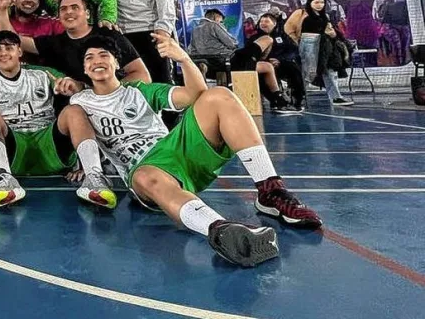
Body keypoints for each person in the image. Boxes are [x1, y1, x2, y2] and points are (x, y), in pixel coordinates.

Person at [70, 34, 322, 268]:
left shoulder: (139, 90)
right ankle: (221, 230)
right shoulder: (80, 102)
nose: (96, 61)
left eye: (103, 55)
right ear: (84, 69)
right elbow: (71, 127)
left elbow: (194, 95)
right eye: (89, 57)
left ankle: (270, 191)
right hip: (144, 170)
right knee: (146, 176)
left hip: (175, 148)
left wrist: (183, 58)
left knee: (219, 95)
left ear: (116, 63)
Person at [0, 30, 117, 210]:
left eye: (9, 47)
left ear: (20, 51)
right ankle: (3, 179)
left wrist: (75, 87)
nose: (3, 53)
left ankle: (94, 177)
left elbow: (76, 87)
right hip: (15, 153)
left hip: (50, 146)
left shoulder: (43, 74)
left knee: (74, 110)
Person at [0, 0, 150, 86]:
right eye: (63, 9)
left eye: (75, 7)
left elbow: (142, 75)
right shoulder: (55, 43)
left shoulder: (109, 34)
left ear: (87, 13)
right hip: (77, 108)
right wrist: (2, 10)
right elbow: (11, 39)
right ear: (58, 17)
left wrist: (103, 91)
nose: (69, 12)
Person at [286, 0, 354, 106]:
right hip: (309, 46)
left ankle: (336, 97)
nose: (320, 5)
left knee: (329, 72)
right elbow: (288, 29)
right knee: (309, 74)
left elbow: (331, 32)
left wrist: (334, 36)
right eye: (316, 2)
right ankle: (295, 95)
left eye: (322, 2)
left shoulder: (324, 16)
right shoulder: (301, 14)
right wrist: (297, 43)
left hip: (325, 47)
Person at [312, 0, 382, 61]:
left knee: (371, 60)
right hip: (353, 37)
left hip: (370, 36)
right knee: (355, 62)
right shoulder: (345, 1)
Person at [0, 0, 63, 64]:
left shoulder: (49, 22)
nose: (29, 0)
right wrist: (1, 9)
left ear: (39, 3)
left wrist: (62, 1)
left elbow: (72, 31)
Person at [252, 13, 305, 109]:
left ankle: (298, 98)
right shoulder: (254, 38)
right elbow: (251, 54)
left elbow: (293, 50)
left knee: (294, 68)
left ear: (274, 24)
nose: (263, 23)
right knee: (260, 74)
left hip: (281, 63)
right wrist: (267, 61)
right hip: (265, 65)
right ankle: (275, 100)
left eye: (266, 21)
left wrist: (280, 60)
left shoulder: (282, 36)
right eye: (261, 21)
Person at [187, 9, 237, 77]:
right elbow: (231, 43)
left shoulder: (195, 30)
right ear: (216, 17)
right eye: (221, 21)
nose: (221, 24)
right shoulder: (214, 25)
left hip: (204, 61)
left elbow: (191, 49)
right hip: (220, 60)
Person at [378, 0, 411, 65]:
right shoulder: (384, 6)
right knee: (396, 43)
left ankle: (403, 61)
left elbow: (408, 14)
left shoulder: (402, 4)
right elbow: (381, 16)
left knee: (404, 44)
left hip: (403, 26)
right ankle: (397, 60)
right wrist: (385, 5)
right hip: (391, 27)